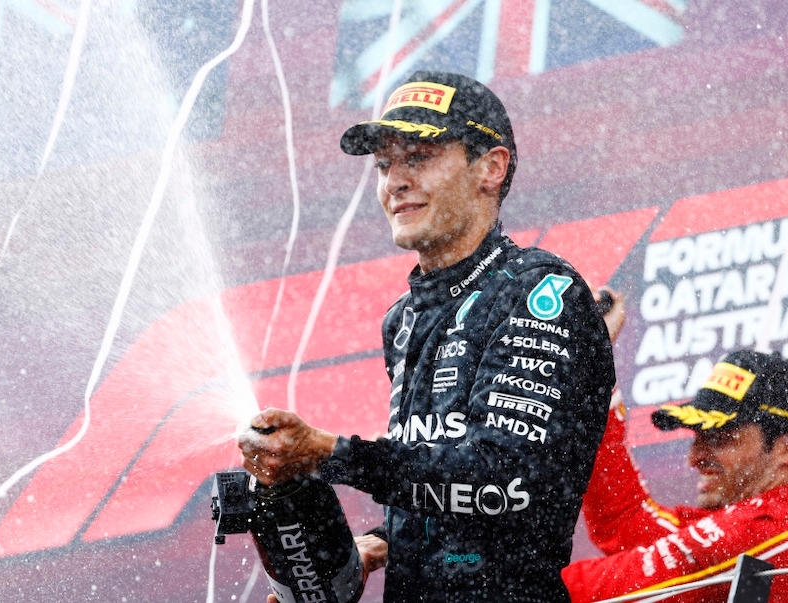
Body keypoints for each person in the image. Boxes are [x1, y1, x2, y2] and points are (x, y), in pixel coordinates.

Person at [238, 70, 616, 602]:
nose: (394, 181)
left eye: (417, 157)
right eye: (384, 164)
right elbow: (444, 485)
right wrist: (377, 544)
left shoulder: (537, 290)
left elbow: (505, 483)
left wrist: (328, 453)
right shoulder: (403, 319)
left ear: (490, 167)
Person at [563, 290, 788, 603]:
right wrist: (593, 355)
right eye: (698, 438)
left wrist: (517, 580)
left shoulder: (771, 534)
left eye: (721, 439)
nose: (694, 457)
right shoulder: (758, 530)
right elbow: (626, 520)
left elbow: (592, 591)